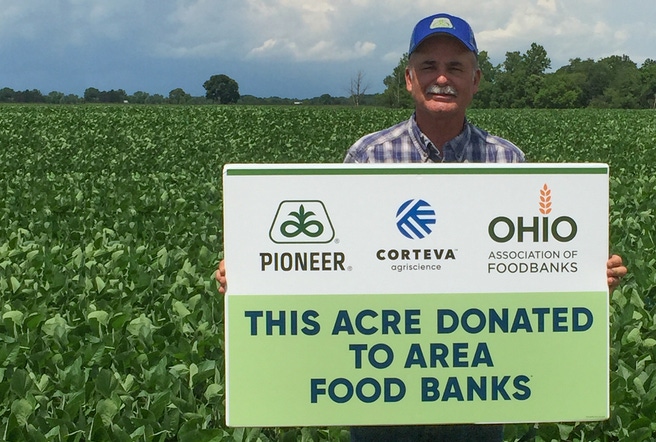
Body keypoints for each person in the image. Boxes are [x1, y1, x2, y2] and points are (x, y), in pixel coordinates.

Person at [216, 12, 628, 442]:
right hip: (380, 401)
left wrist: (587, 279)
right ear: (409, 79)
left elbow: (537, 269)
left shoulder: (508, 161)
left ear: (476, 80)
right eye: (429, 66)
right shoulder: (367, 156)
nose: (442, 78)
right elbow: (332, 264)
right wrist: (252, 278)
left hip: (480, 400)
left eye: (456, 67)